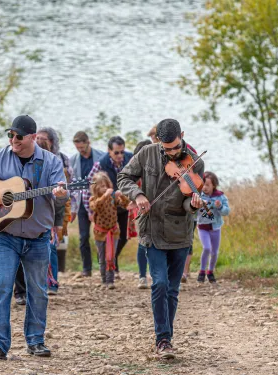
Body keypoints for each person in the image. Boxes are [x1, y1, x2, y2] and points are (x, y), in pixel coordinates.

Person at [0, 114, 68, 360]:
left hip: (38, 236)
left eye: (19, 136)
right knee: (1, 287)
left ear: (32, 137)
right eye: (10, 135)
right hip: (4, 235)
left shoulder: (50, 161)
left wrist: (61, 193)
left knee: (38, 291)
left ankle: (36, 341)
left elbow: (60, 193)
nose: (13, 140)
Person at [117, 118, 204, 359]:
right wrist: (138, 194)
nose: (172, 153)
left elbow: (190, 198)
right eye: (166, 149)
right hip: (152, 229)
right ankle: (162, 339)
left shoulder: (196, 161)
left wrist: (194, 204)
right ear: (158, 140)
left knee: (172, 289)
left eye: (176, 148)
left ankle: (167, 337)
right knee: (159, 283)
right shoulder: (146, 153)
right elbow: (123, 178)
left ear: (182, 136)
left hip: (180, 232)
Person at [83, 136, 132, 278]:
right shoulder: (100, 164)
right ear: (109, 151)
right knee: (103, 246)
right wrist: (89, 210)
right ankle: (108, 269)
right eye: (116, 152)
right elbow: (89, 187)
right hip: (104, 207)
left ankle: (112, 259)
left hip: (120, 202)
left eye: (122, 152)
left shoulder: (130, 159)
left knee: (124, 236)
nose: (120, 156)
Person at [36, 127, 73, 295]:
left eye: (44, 140)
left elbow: (64, 199)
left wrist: (61, 222)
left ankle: (52, 283)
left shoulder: (60, 163)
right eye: (37, 138)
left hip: (52, 214)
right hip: (31, 214)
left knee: (51, 249)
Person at [70, 131, 105, 277]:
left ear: (88, 142)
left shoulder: (102, 156)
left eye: (82, 148)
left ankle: (105, 268)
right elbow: (72, 183)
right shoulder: (73, 160)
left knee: (102, 235)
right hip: (82, 202)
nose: (80, 150)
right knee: (83, 236)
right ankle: (87, 269)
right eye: (77, 148)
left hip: (99, 201)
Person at [89, 172, 130, 289]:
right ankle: (104, 280)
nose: (105, 189)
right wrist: (105, 195)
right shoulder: (94, 199)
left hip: (113, 232)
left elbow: (125, 204)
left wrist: (121, 196)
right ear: (95, 188)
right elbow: (95, 206)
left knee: (111, 256)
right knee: (102, 258)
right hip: (100, 233)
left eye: (106, 186)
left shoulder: (112, 199)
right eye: (102, 186)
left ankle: (110, 281)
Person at [196, 171, 230, 284]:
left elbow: (226, 211)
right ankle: (201, 271)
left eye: (207, 185)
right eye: (203, 184)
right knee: (207, 248)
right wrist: (198, 204)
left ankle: (210, 272)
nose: (204, 187)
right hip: (202, 227)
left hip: (215, 227)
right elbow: (191, 209)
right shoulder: (198, 195)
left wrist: (220, 207)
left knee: (214, 252)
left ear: (213, 185)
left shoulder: (220, 196)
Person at [128, 139, 152, 289]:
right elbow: (128, 187)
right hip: (141, 209)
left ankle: (157, 275)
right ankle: (142, 276)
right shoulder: (135, 172)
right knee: (142, 242)